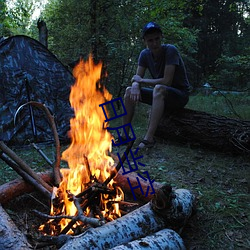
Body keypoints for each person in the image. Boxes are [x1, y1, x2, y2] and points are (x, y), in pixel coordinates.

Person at [119, 21, 191, 149]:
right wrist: (135, 85)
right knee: (129, 91)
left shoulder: (170, 50)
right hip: (161, 94)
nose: (155, 43)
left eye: (157, 39)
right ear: (145, 41)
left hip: (179, 95)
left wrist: (140, 81)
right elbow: (137, 78)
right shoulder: (144, 54)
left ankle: (149, 138)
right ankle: (125, 136)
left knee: (159, 88)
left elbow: (166, 81)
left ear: (161, 37)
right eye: (150, 40)